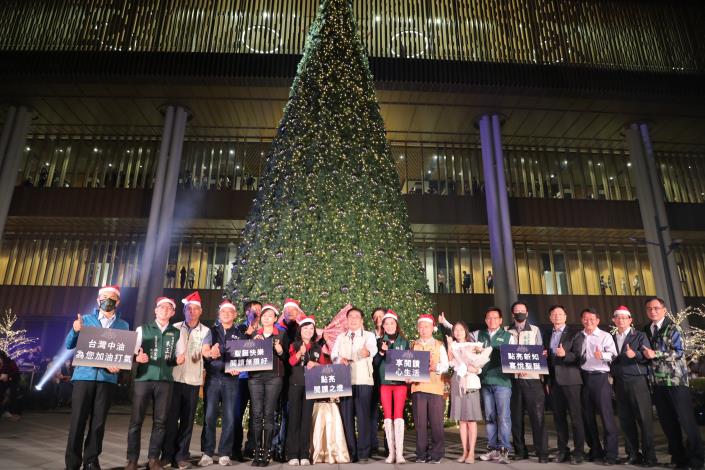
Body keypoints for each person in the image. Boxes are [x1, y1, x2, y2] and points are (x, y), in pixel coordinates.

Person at [64, 285, 130, 470]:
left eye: (112, 298)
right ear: (97, 300)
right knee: (77, 421)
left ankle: (91, 460)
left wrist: (120, 365)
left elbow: (122, 353)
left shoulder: (123, 325)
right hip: (84, 377)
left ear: (118, 302)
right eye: (104, 297)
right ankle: (72, 463)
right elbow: (69, 344)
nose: (107, 300)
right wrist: (76, 330)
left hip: (107, 379)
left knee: (98, 422)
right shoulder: (85, 320)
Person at [643, 297, 704, 469]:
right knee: (668, 423)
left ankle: (697, 460)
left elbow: (679, 352)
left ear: (664, 309)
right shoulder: (647, 329)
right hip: (658, 383)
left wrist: (656, 354)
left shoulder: (673, 327)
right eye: (649, 308)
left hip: (675, 382)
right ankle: (679, 459)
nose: (652, 311)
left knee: (686, 421)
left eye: (656, 308)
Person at [126, 297, 185, 470]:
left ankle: (153, 458)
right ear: (155, 310)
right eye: (161, 307)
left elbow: (177, 357)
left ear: (173, 313)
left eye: (169, 308)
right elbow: (132, 351)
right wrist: (138, 357)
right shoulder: (142, 329)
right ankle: (132, 459)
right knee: (136, 421)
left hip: (165, 381)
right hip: (144, 379)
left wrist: (179, 360)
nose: (165, 310)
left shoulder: (176, 333)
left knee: (160, 422)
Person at [162, 292, 212, 470]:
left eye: (195, 309)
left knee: (187, 420)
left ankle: (182, 455)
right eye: (188, 308)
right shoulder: (174, 327)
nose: (192, 311)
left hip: (192, 380)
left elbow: (206, 349)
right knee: (170, 419)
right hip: (174, 379)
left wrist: (207, 353)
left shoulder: (206, 331)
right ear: (184, 311)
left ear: (200, 311)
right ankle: (167, 455)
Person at [609, 306, 656, 467]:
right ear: (613, 320)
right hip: (619, 382)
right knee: (626, 420)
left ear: (630, 320)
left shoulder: (640, 335)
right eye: (618, 318)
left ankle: (650, 457)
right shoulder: (611, 337)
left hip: (637, 381)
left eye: (624, 318)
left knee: (644, 420)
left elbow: (648, 355)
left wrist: (634, 354)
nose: (621, 320)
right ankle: (632, 454)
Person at [199, 299, 243, 467]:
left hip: (231, 379)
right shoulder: (211, 331)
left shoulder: (239, 333)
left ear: (235, 315)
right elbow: (205, 351)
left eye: (230, 312)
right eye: (223, 312)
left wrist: (238, 368)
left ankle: (225, 453)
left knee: (229, 417)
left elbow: (243, 358)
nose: (226, 314)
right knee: (209, 416)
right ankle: (208, 453)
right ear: (219, 314)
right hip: (213, 378)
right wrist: (210, 353)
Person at [331, 306, 377, 462]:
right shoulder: (341, 337)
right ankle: (351, 451)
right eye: (350, 316)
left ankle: (364, 452)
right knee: (347, 416)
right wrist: (339, 360)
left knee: (364, 417)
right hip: (345, 381)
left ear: (362, 320)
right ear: (347, 320)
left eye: (357, 316)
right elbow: (334, 355)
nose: (353, 319)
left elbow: (373, 349)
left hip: (364, 380)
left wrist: (367, 352)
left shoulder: (369, 336)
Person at [505, 302, 548, 462]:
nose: (520, 313)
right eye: (517, 312)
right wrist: (514, 368)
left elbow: (539, 352)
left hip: (532, 379)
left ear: (527, 313)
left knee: (537, 416)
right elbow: (505, 354)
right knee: (516, 418)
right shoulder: (506, 331)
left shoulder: (535, 330)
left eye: (522, 311)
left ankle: (542, 452)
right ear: (512, 314)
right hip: (513, 380)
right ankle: (520, 451)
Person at [543, 305, 585, 464]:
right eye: (554, 314)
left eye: (560, 314)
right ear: (550, 317)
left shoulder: (575, 333)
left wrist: (565, 355)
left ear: (565, 316)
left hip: (571, 381)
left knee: (576, 418)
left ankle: (579, 452)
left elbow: (579, 356)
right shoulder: (547, 334)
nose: (557, 316)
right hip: (554, 381)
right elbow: (547, 359)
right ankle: (563, 450)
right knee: (558, 418)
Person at [249, 304, 289, 467]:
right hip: (255, 378)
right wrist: (253, 343)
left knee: (269, 413)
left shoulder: (281, 334)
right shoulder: (254, 335)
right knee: (257, 414)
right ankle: (257, 451)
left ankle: (267, 451)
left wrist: (279, 350)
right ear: (261, 318)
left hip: (274, 377)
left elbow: (287, 357)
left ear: (274, 319)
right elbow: (245, 356)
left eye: (270, 315)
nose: (266, 318)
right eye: (264, 315)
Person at [579, 308, 618, 465]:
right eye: (585, 318)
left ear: (597, 320)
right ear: (582, 320)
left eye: (592, 319)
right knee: (587, 417)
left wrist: (601, 355)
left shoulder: (605, 336)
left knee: (606, 417)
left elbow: (613, 354)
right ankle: (595, 450)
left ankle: (611, 454)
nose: (588, 321)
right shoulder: (579, 336)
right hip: (583, 378)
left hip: (600, 378)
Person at [446, 321, 489, 464]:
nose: (458, 332)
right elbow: (450, 363)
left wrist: (476, 369)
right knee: (462, 420)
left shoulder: (474, 345)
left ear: (466, 331)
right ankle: (464, 451)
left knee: (471, 420)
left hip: (471, 383)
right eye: (455, 330)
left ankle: (472, 452)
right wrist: (449, 346)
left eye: (460, 330)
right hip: (457, 382)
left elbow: (479, 365)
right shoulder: (452, 345)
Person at [286, 315, 326, 465]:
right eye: (305, 328)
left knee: (306, 420)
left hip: (311, 387)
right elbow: (291, 362)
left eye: (311, 328)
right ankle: (292, 455)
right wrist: (300, 352)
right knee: (294, 419)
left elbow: (323, 366)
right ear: (300, 330)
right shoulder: (294, 344)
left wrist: (315, 365)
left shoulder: (317, 347)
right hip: (295, 385)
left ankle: (304, 454)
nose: (308, 331)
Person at [410, 314, 449, 464]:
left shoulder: (439, 345)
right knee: (420, 423)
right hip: (418, 388)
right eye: (420, 326)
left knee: (436, 423)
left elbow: (446, 365)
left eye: (426, 326)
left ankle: (437, 454)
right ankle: (421, 454)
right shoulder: (413, 345)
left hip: (435, 387)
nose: (423, 329)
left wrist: (436, 367)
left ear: (432, 328)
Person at [372, 310, 410, 464]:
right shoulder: (379, 341)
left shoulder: (405, 342)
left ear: (396, 324)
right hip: (385, 384)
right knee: (387, 417)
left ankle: (400, 453)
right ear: (383, 326)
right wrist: (381, 352)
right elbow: (374, 363)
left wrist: (410, 375)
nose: (388, 325)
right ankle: (391, 453)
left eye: (391, 323)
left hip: (400, 384)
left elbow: (411, 362)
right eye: (386, 323)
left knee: (398, 417)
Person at [233, 300, 263, 461]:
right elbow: (234, 349)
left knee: (256, 414)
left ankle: (251, 447)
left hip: (259, 378)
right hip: (242, 378)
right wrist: (247, 334)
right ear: (247, 312)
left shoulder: (265, 329)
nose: (258, 312)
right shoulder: (239, 328)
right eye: (254, 310)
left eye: (260, 309)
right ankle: (235, 448)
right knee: (237, 413)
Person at [369, 307, 386, 457]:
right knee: (372, 413)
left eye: (381, 315)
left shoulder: (392, 335)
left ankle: (389, 447)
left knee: (389, 414)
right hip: (372, 378)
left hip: (388, 379)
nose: (378, 318)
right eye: (376, 316)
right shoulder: (369, 336)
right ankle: (373, 445)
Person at [0, 349, 20, 421]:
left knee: (9, 394)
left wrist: (8, 376)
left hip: (12, 382)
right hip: (4, 382)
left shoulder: (10, 362)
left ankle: (8, 412)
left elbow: (16, 373)